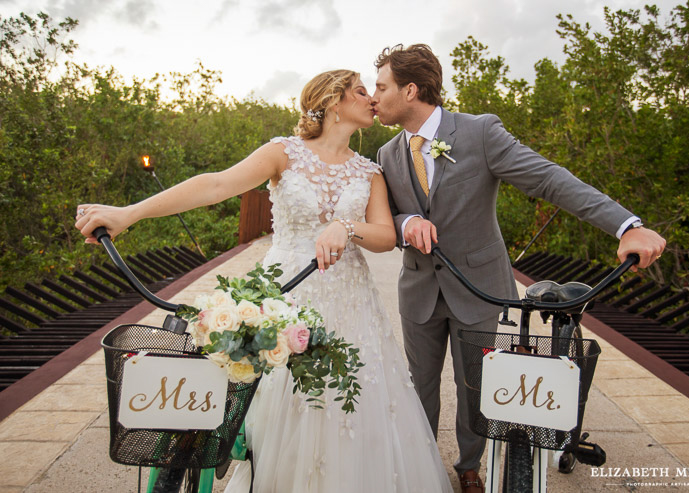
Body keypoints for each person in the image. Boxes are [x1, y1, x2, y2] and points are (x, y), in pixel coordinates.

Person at [75, 69, 453, 493]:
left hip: (350, 300)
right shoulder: (283, 152)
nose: (372, 100)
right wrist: (130, 213)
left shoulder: (370, 171)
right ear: (331, 100)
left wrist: (346, 226)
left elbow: (384, 236)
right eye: (362, 91)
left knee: (352, 398)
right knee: (277, 397)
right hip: (284, 294)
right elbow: (215, 185)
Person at [371, 44, 666, 493]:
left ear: (410, 90)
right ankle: (421, 467)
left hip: (480, 287)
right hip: (418, 291)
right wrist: (406, 221)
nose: (375, 96)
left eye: (381, 86)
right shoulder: (386, 154)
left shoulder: (480, 132)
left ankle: (469, 466)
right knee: (419, 387)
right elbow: (382, 214)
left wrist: (626, 224)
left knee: (476, 388)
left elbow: (549, 178)